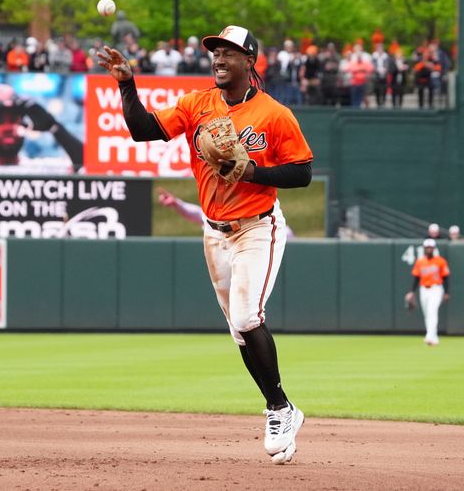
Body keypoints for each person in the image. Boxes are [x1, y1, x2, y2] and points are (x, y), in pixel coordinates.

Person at [98, 24, 312, 464]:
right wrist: (127, 84)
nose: (218, 58)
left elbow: (302, 173)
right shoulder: (197, 104)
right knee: (238, 329)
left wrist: (253, 172)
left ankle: (277, 409)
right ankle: (285, 406)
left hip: (258, 226)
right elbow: (143, 130)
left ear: (249, 61)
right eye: (215, 51)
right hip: (215, 232)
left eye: (229, 52)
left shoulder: (274, 114)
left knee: (248, 316)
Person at [158, 187, 295, 240]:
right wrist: (177, 204)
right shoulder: (219, 218)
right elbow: (197, 214)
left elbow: (288, 236)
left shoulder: (263, 221)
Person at [405, 238, 450, 346]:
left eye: (430, 247)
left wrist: (447, 292)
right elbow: (416, 277)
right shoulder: (420, 261)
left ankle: (429, 336)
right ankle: (434, 338)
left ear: (434, 248)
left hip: (436, 288)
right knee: (427, 314)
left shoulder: (440, 261)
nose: (429, 249)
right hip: (423, 289)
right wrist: (412, 291)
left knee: (432, 311)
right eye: (427, 247)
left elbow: (446, 277)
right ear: (424, 248)